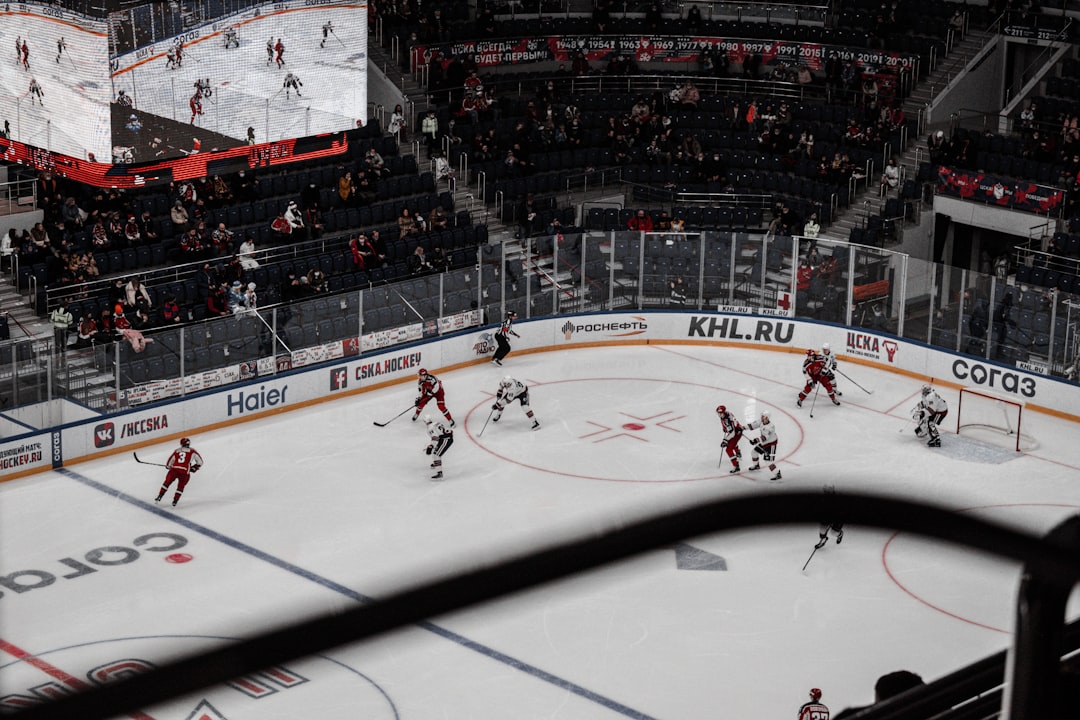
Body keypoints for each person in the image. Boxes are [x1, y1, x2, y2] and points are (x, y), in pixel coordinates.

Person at [155, 437, 204, 507]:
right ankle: (175, 501)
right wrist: (194, 468)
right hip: (184, 472)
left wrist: (168, 466)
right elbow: (200, 462)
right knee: (180, 487)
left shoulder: (177, 451)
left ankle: (160, 496)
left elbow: (169, 462)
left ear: (181, 444)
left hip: (174, 470)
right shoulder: (192, 451)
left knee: (167, 483)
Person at [744, 412, 781, 481]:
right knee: (754, 453)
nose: (761, 417)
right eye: (762, 416)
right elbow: (753, 425)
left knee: (768, 461)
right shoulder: (761, 421)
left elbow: (765, 437)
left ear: (767, 418)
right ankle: (756, 466)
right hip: (764, 442)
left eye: (763, 416)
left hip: (771, 444)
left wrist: (756, 440)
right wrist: (742, 428)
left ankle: (777, 473)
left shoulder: (771, 427)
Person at [424, 414, 454, 480]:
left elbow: (435, 438)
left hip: (446, 439)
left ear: (425, 422)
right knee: (436, 450)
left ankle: (439, 473)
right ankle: (436, 463)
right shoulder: (436, 422)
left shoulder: (429, 428)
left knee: (436, 454)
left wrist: (431, 446)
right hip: (446, 437)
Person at [716, 404, 744, 473]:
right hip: (735, 431)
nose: (719, 414)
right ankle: (737, 452)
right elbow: (730, 423)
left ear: (724, 412)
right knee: (732, 444)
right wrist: (725, 428)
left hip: (736, 433)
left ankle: (736, 465)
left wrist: (725, 440)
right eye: (718, 413)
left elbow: (732, 433)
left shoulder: (727, 419)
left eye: (720, 413)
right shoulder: (726, 414)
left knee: (728, 449)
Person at [815, 485, 844, 549]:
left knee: (834, 532)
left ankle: (840, 534)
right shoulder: (822, 498)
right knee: (822, 531)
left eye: (829, 490)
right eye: (825, 489)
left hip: (838, 518)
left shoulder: (838, 498)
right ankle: (824, 539)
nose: (826, 491)